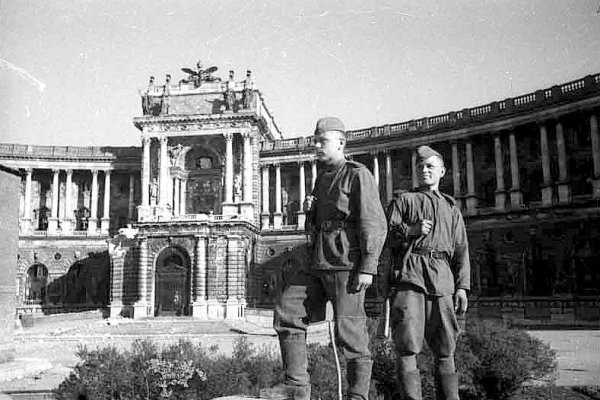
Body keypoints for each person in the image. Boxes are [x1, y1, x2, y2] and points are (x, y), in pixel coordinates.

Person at [263, 116, 387, 400]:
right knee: (288, 308)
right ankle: (295, 386)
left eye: (323, 141)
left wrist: (368, 266)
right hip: (317, 259)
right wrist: (310, 210)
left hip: (345, 262)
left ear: (341, 143)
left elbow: (373, 222)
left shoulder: (358, 174)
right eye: (315, 141)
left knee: (349, 328)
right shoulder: (321, 178)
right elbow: (315, 227)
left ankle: (358, 395)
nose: (317, 145)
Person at [386, 145, 470, 400]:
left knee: (446, 347)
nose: (424, 170)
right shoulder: (403, 201)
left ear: (442, 171)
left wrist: (462, 287)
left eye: (430, 166)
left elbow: (461, 249)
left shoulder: (451, 207)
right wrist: (410, 231)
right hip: (411, 278)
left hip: (443, 280)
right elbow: (385, 236)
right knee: (407, 346)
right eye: (420, 167)